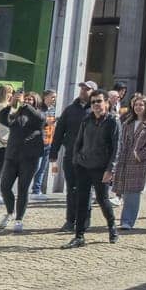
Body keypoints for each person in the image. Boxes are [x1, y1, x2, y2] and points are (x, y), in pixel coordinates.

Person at [64, 90, 120, 247]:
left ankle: (112, 227)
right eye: (93, 101)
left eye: (99, 101)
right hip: (83, 165)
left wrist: (110, 169)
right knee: (81, 201)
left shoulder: (112, 121)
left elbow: (117, 148)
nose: (96, 104)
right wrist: (76, 159)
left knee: (102, 200)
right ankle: (79, 235)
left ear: (106, 103)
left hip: (101, 167)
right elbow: (79, 141)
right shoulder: (86, 119)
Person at [0, 91, 46, 232]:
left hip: (29, 158)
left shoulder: (39, 114)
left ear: (35, 102)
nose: (28, 101)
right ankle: (10, 212)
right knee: (5, 186)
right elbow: (2, 119)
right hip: (12, 156)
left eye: (31, 100)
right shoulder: (17, 115)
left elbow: (40, 120)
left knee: (23, 189)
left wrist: (25, 105)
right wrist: (11, 105)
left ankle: (19, 219)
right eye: (26, 99)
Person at [52, 81, 95, 231]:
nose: (83, 91)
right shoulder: (70, 110)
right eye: (82, 88)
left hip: (89, 157)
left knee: (86, 189)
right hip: (71, 154)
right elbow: (59, 132)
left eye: (87, 89)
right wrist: (53, 152)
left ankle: (84, 221)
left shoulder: (95, 111)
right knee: (72, 189)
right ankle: (70, 221)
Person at [114, 93, 146, 231]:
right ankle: (125, 219)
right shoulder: (127, 123)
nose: (138, 107)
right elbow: (121, 141)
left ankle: (127, 221)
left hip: (139, 162)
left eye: (141, 105)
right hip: (125, 160)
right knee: (126, 191)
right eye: (136, 105)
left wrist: (140, 155)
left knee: (133, 191)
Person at [31, 90, 58, 198]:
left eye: (55, 97)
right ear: (45, 97)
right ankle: (26, 187)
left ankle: (36, 191)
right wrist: (46, 123)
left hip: (49, 142)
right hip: (39, 142)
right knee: (36, 167)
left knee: (42, 168)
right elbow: (35, 125)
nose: (54, 100)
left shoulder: (52, 110)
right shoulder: (39, 109)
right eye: (52, 97)